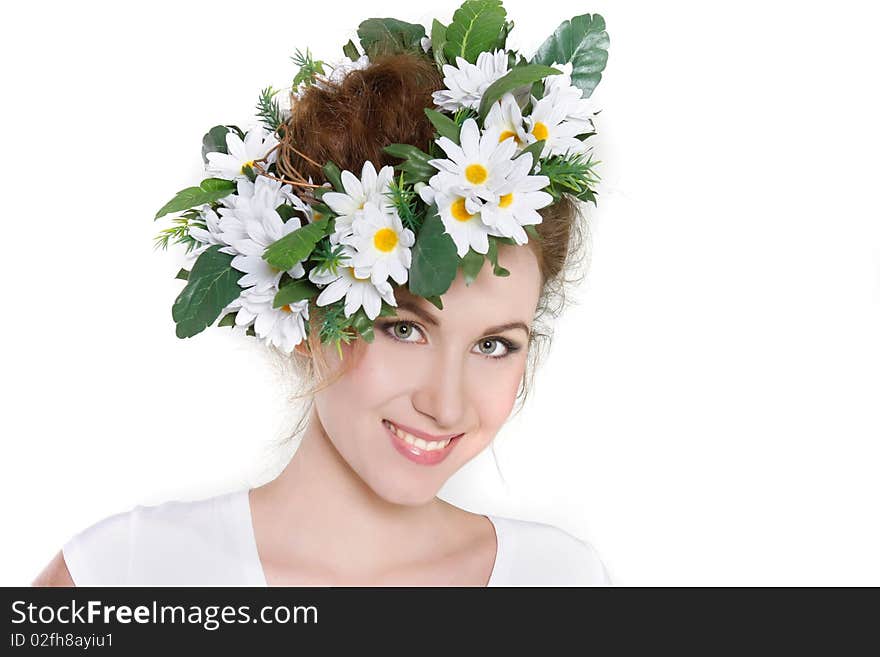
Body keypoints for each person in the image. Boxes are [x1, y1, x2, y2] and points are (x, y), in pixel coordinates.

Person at [33, 13, 611, 587]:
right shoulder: (120, 576)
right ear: (310, 310)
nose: (447, 405)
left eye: (493, 344)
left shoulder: (560, 581)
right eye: (403, 328)